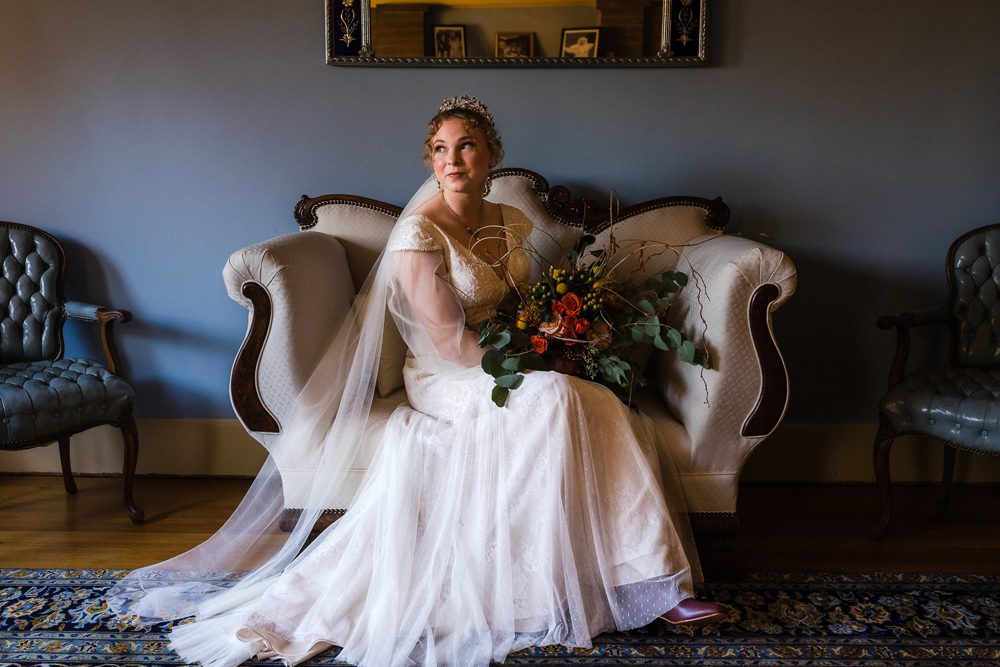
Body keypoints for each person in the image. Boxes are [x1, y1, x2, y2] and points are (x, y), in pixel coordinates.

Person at [107, 95, 724, 667]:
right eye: (440, 149)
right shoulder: (416, 235)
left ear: (492, 156)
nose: (452, 160)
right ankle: (528, 590)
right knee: (557, 396)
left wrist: (558, 339)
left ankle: (653, 582)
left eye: (467, 147)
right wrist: (537, 361)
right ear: (430, 159)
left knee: (603, 401)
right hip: (445, 373)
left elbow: (515, 308)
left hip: (501, 361)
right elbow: (452, 342)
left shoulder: (509, 219)